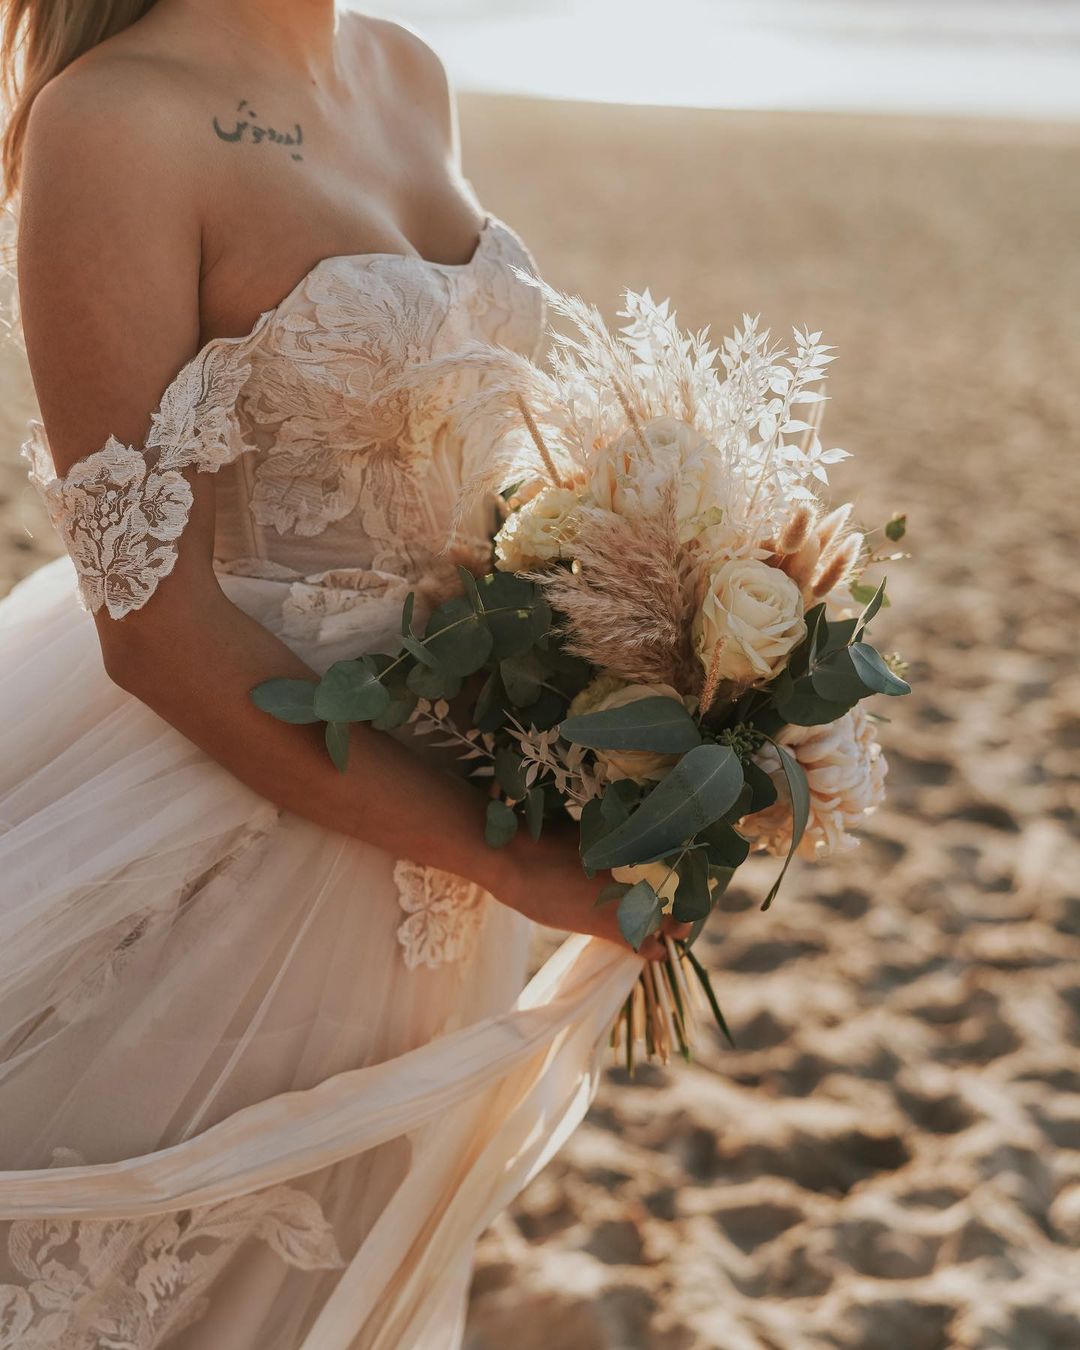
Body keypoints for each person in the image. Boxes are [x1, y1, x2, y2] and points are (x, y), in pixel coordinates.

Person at [0, 2, 689, 1345]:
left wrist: (629, 671)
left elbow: (452, 485)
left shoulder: (406, 69)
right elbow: (152, 627)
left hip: (446, 814)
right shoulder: (115, 121)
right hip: (240, 807)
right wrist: (506, 860)